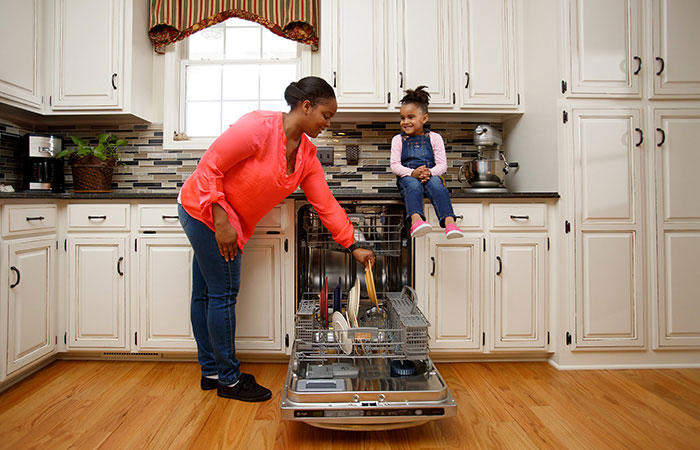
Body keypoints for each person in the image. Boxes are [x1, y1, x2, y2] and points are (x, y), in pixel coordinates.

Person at [177, 76, 375, 402]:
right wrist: (221, 220)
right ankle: (228, 379)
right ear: (306, 105)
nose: (328, 123)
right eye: (326, 115)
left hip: (225, 219)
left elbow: (325, 204)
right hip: (204, 211)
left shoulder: (306, 156)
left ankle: (211, 372)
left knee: (207, 295)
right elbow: (210, 164)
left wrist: (352, 244)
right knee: (223, 294)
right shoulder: (259, 127)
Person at [390, 86, 464, 239]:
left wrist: (429, 172)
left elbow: (442, 166)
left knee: (438, 185)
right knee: (413, 185)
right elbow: (395, 165)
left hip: (430, 175)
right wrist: (413, 173)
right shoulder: (398, 140)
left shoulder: (434, 138)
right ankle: (416, 221)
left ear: (424, 118)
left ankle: (450, 223)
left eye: (411, 117)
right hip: (408, 176)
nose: (405, 122)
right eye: (402, 118)